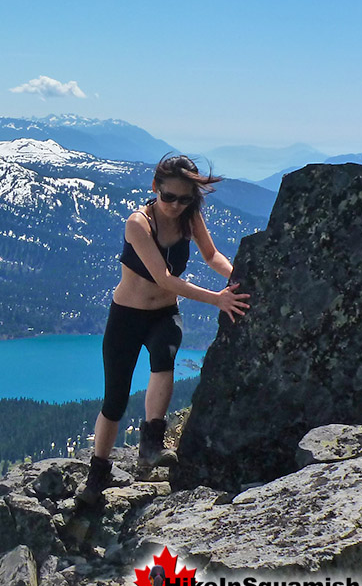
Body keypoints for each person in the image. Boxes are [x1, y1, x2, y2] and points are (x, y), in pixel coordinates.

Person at [77, 154, 250, 505]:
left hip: (164, 314)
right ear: (155, 188)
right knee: (114, 401)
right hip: (126, 317)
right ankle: (98, 472)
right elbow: (163, 278)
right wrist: (217, 299)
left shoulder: (189, 217)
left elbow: (211, 254)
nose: (175, 205)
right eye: (168, 196)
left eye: (184, 199)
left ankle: (152, 442)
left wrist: (238, 280)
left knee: (164, 359)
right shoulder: (138, 223)